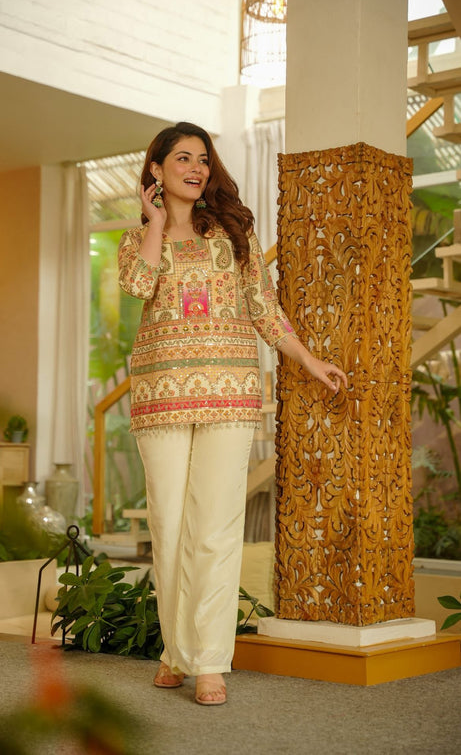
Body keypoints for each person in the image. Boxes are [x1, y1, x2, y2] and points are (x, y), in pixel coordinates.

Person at [118, 121, 347, 706]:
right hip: (161, 398)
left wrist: (308, 359)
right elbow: (137, 287)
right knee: (170, 528)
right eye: (182, 158)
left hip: (230, 392)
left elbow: (264, 308)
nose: (196, 168)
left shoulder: (233, 234)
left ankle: (210, 662)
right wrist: (155, 224)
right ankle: (175, 651)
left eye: (203, 158)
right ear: (156, 170)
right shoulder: (137, 238)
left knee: (216, 530)